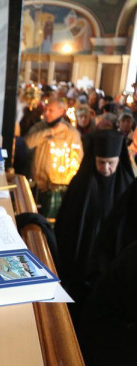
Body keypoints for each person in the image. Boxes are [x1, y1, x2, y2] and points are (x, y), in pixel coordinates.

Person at [54, 130, 133, 322]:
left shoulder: (128, 186)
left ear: (119, 161)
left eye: (111, 163)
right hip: (81, 261)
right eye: (101, 162)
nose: (106, 168)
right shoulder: (81, 184)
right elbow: (67, 227)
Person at [25, 98, 83, 217]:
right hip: (37, 184)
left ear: (61, 111)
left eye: (51, 110)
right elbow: (27, 143)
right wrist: (51, 131)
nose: (46, 113)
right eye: (45, 109)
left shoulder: (71, 133)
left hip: (57, 188)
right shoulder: (40, 127)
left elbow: (78, 159)